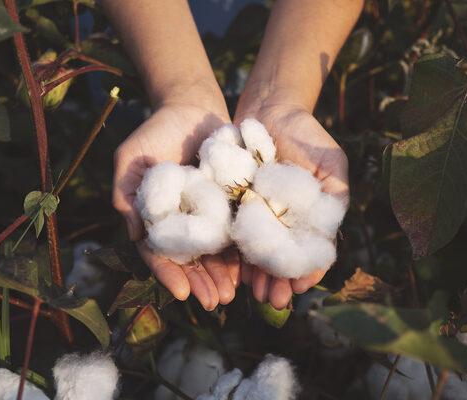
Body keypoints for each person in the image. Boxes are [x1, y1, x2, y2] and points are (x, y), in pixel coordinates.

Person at [102, 0, 362, 311]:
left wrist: (280, 96)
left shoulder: (231, 173)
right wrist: (180, 92)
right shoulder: (231, 175)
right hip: (141, 40)